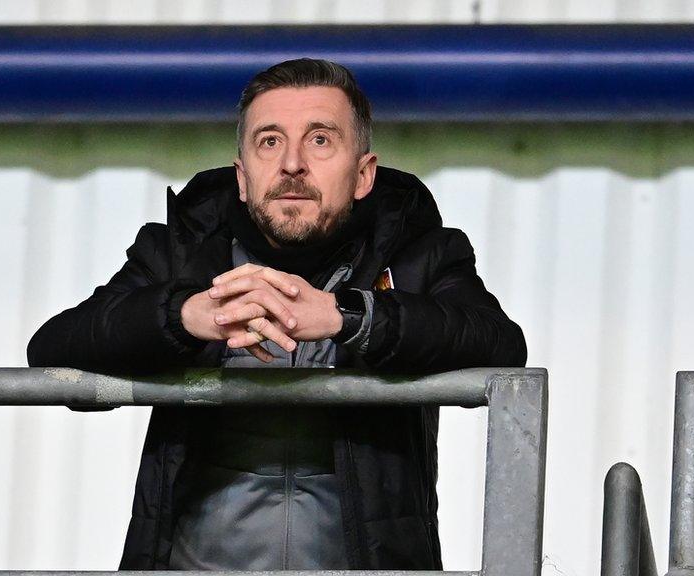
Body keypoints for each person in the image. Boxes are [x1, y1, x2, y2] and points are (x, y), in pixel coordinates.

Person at [27, 58, 526, 571]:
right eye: (269, 141)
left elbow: (500, 344)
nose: (292, 164)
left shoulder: (418, 252)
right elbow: (53, 347)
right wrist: (186, 315)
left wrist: (347, 316)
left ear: (363, 175)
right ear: (242, 177)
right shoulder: (183, 251)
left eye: (320, 140)